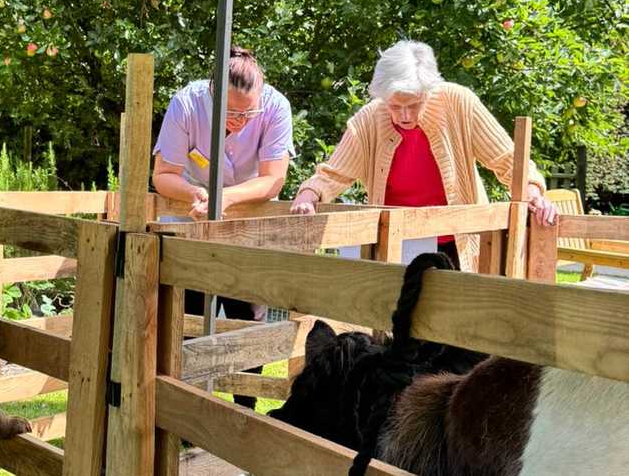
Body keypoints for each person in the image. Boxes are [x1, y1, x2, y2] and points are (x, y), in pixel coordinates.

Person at [290, 40, 558, 271]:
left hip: (456, 240)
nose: (405, 115)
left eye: (414, 105)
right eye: (395, 106)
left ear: (429, 92)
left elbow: (507, 159)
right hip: (396, 243)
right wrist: (309, 194)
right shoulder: (369, 119)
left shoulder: (459, 102)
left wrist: (532, 192)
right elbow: (335, 172)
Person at [151, 45, 296, 410]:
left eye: (248, 112)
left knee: (247, 316)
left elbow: (273, 180)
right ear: (212, 93)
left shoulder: (277, 108)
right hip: (190, 218)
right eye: (230, 112)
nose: (240, 120)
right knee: (189, 319)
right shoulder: (185, 104)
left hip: (246, 223)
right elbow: (163, 175)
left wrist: (225, 198)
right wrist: (195, 194)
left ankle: (244, 410)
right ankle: (187, 409)